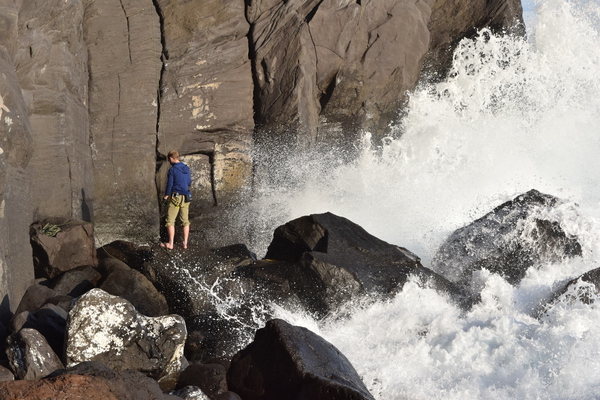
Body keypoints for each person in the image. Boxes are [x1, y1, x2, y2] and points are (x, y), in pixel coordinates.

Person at [161, 150, 192, 249]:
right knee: (185, 221)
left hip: (176, 196)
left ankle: (170, 244)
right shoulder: (186, 168)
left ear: (171, 158)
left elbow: (170, 184)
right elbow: (189, 182)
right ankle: (185, 243)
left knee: (170, 220)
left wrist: (166, 195)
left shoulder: (172, 170)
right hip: (186, 196)